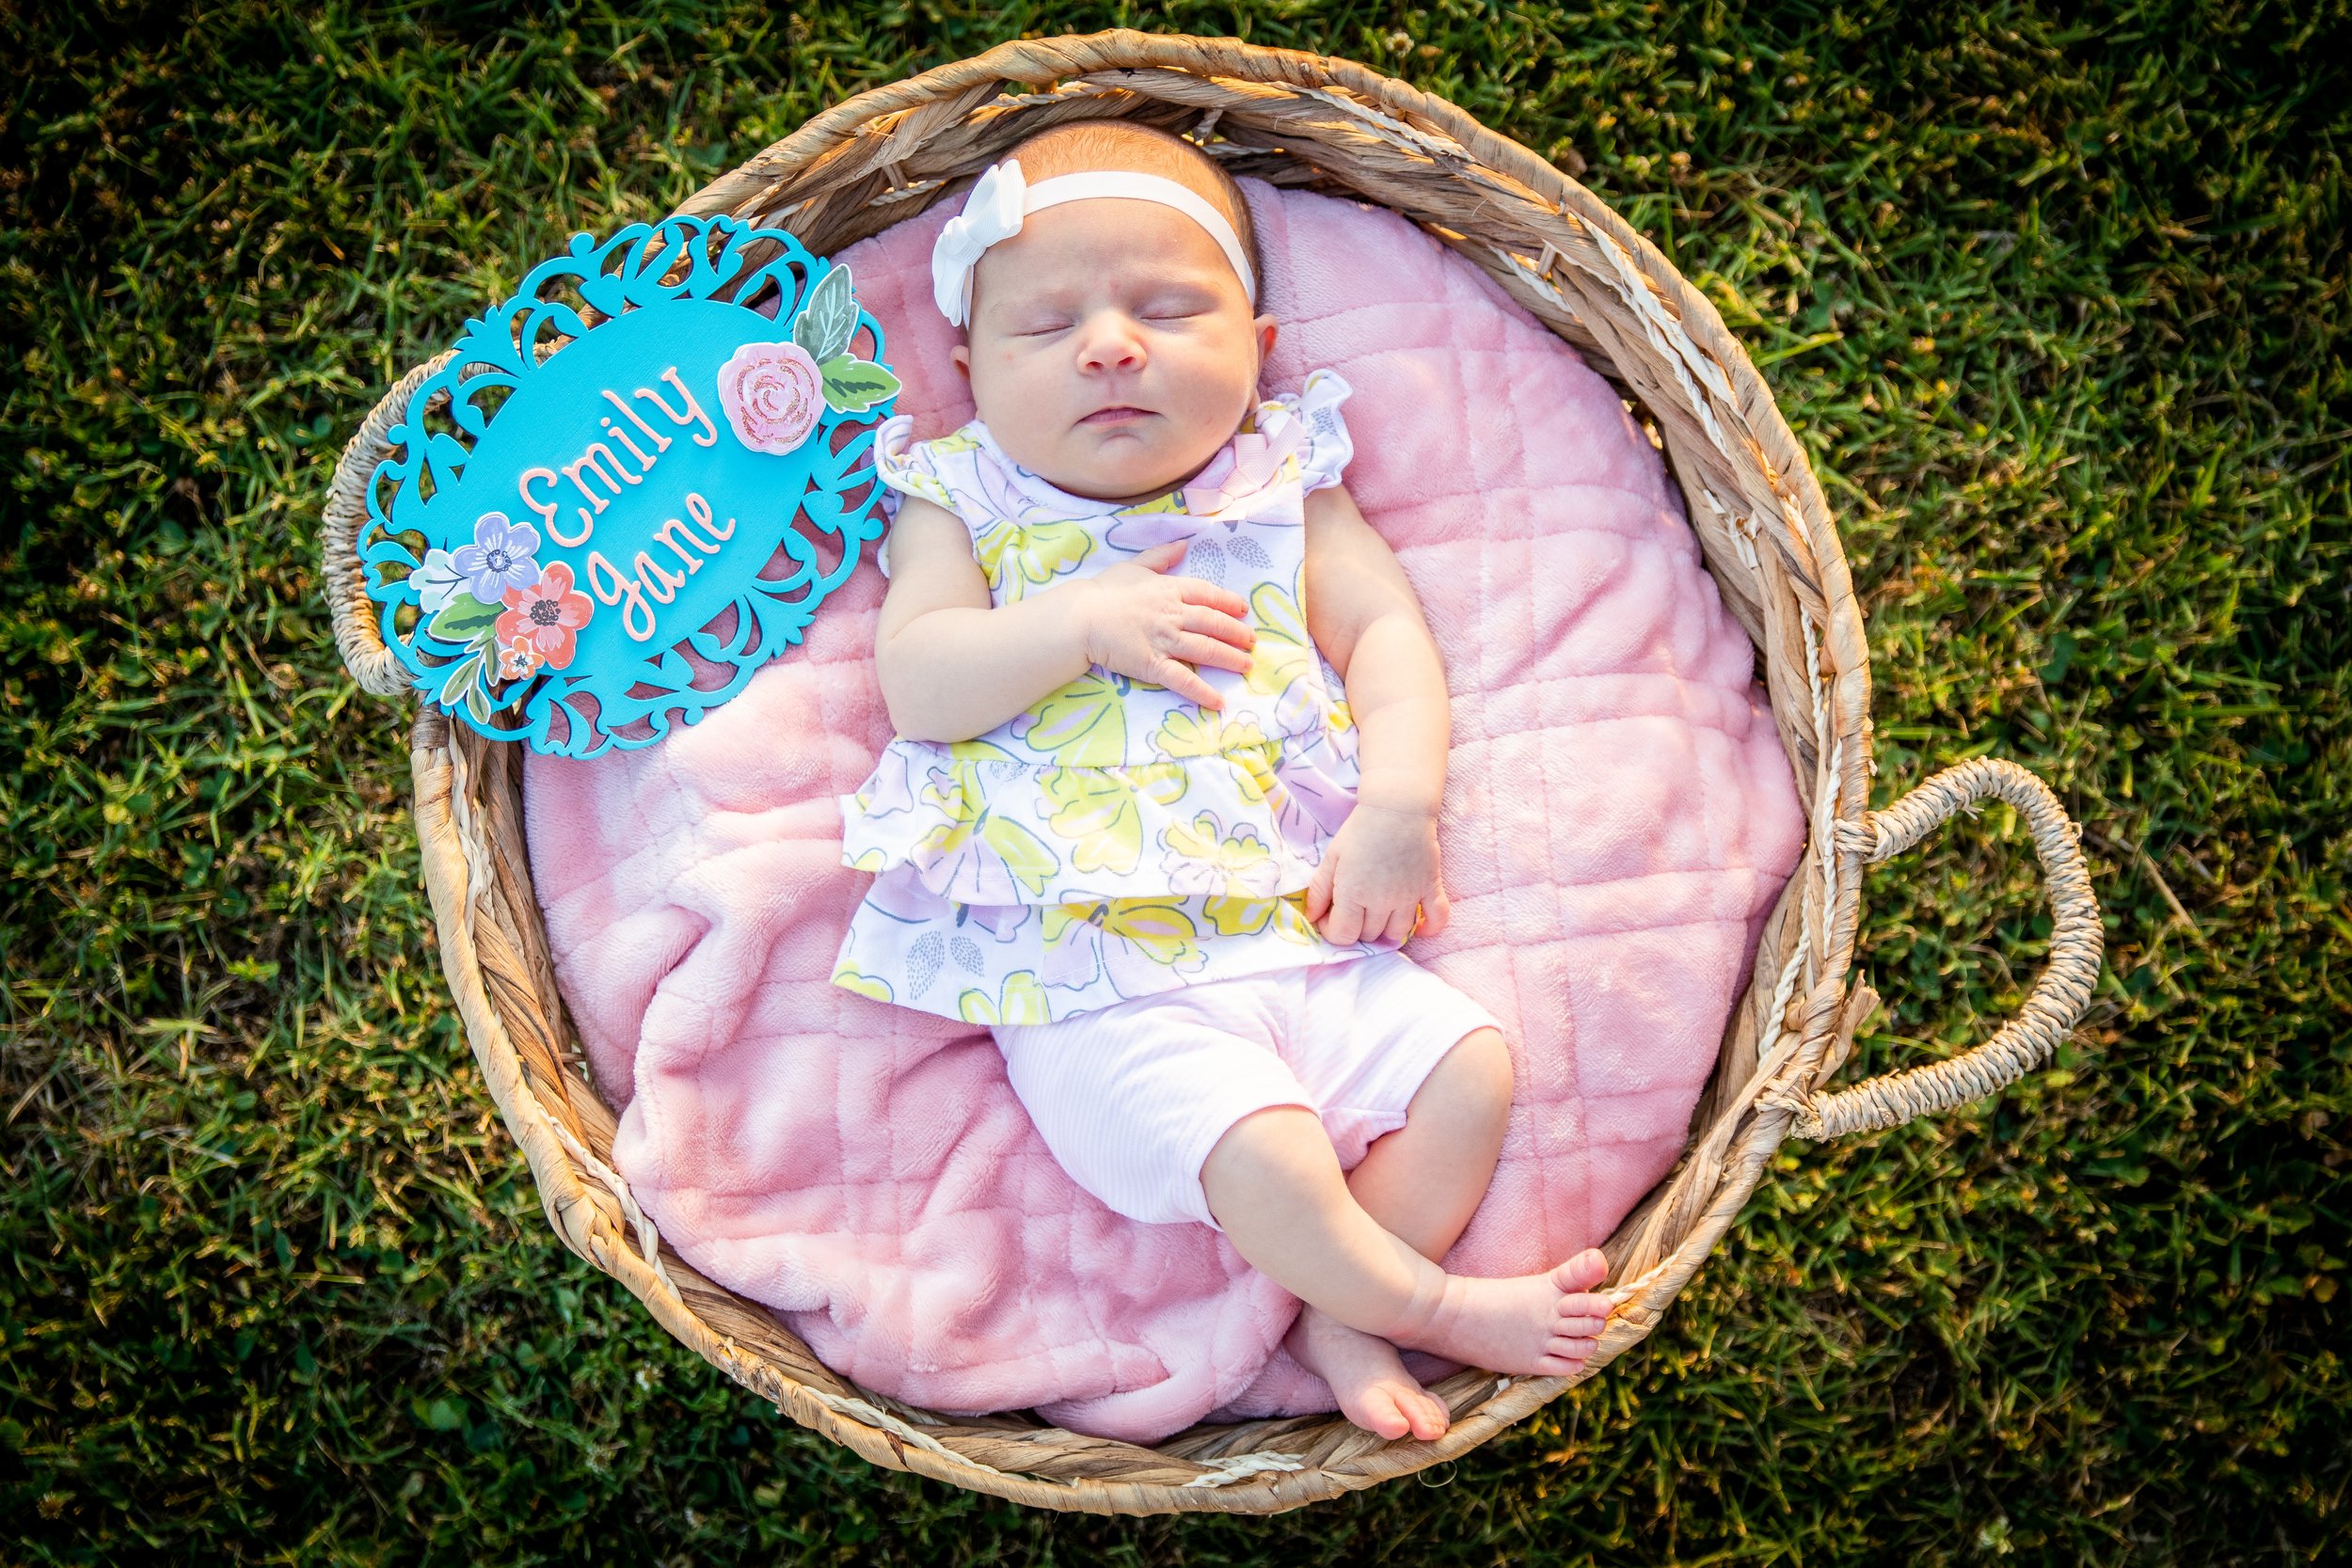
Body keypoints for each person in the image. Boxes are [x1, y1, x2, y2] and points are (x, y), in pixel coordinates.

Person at [829, 120, 1611, 1442]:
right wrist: (1077, 622)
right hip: (1100, 981)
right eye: (1048, 325)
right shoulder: (963, 497)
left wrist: (1399, 808)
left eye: (1169, 308)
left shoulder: (1282, 480)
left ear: (1255, 353)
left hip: (1301, 941)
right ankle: (1428, 1303)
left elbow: (1386, 638)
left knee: (1471, 1066)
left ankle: (1343, 1309)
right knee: (1264, 1148)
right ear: (966, 371)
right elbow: (921, 682)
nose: (1112, 345)